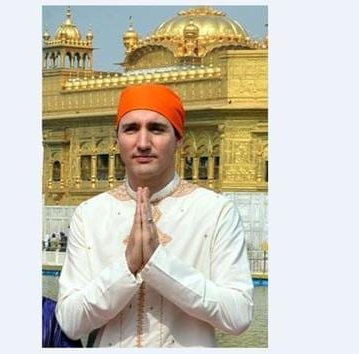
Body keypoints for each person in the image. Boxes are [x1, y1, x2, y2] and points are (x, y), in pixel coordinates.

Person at [55, 84, 253, 347]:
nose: (143, 143)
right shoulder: (90, 214)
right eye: (131, 129)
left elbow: (238, 316)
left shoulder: (214, 211)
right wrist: (126, 267)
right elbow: (70, 321)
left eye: (157, 129)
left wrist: (157, 264)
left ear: (179, 139)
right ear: (117, 140)